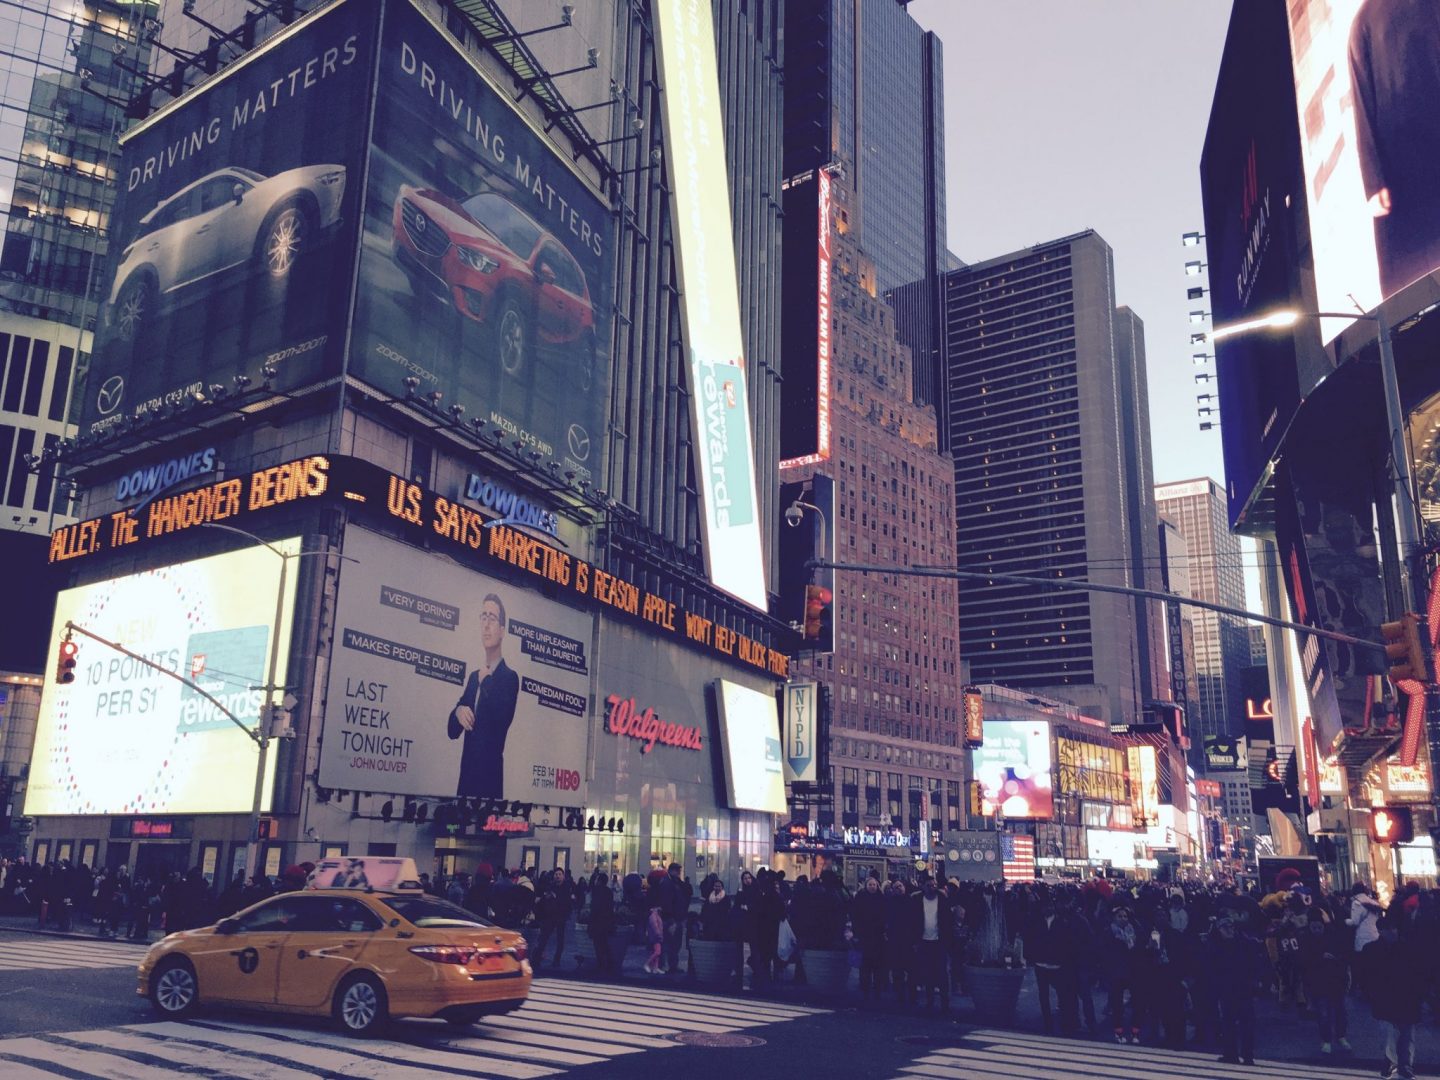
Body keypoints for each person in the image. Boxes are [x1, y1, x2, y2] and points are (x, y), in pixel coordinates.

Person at [1347, 0, 1440, 297]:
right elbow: (1362, 101)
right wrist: (1373, 181)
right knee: (1417, 279)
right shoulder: (1364, 20)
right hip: (1403, 164)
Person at [446, 594, 520, 798]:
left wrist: (486, 681)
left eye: (492, 618)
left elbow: (501, 720)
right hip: (465, 786)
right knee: (453, 830)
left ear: (502, 630)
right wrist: (458, 711)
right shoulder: (473, 677)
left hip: (489, 786)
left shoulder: (509, 678)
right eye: (483, 617)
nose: (486, 625)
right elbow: (452, 731)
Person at [1360, 912, 1426, 1080]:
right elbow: (1367, 976)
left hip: (1405, 996)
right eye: (1389, 929)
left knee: (1404, 1034)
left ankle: (1403, 1066)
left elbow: (1419, 972)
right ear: (1381, 931)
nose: (1393, 932)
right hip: (1389, 997)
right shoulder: (1373, 950)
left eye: (1394, 929)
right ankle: (1395, 1064)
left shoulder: (1405, 948)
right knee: (1394, 1034)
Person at [1208, 914, 1265, 1066]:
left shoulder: (1244, 943)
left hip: (1242, 987)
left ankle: (1247, 1054)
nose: (1229, 930)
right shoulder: (1217, 945)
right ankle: (1231, 1053)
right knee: (1229, 1022)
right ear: (1219, 929)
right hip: (1227, 988)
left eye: (1230, 927)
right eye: (1225, 927)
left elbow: (1254, 963)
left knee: (1245, 1022)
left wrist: (1255, 981)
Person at [910, 875, 951, 1011]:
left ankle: (945, 1003)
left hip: (939, 941)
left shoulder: (943, 899)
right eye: (929, 885)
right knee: (927, 973)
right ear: (923, 887)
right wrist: (915, 941)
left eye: (934, 885)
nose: (932, 888)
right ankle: (930, 1001)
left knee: (942, 973)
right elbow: (914, 921)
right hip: (924, 941)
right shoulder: (917, 900)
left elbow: (947, 920)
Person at [852, 874, 887, 1001]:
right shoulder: (861, 898)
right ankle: (865, 988)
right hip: (865, 936)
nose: (872, 887)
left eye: (874, 885)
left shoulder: (881, 898)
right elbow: (855, 915)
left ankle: (877, 988)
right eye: (870, 885)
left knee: (877, 965)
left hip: (877, 936)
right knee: (865, 964)